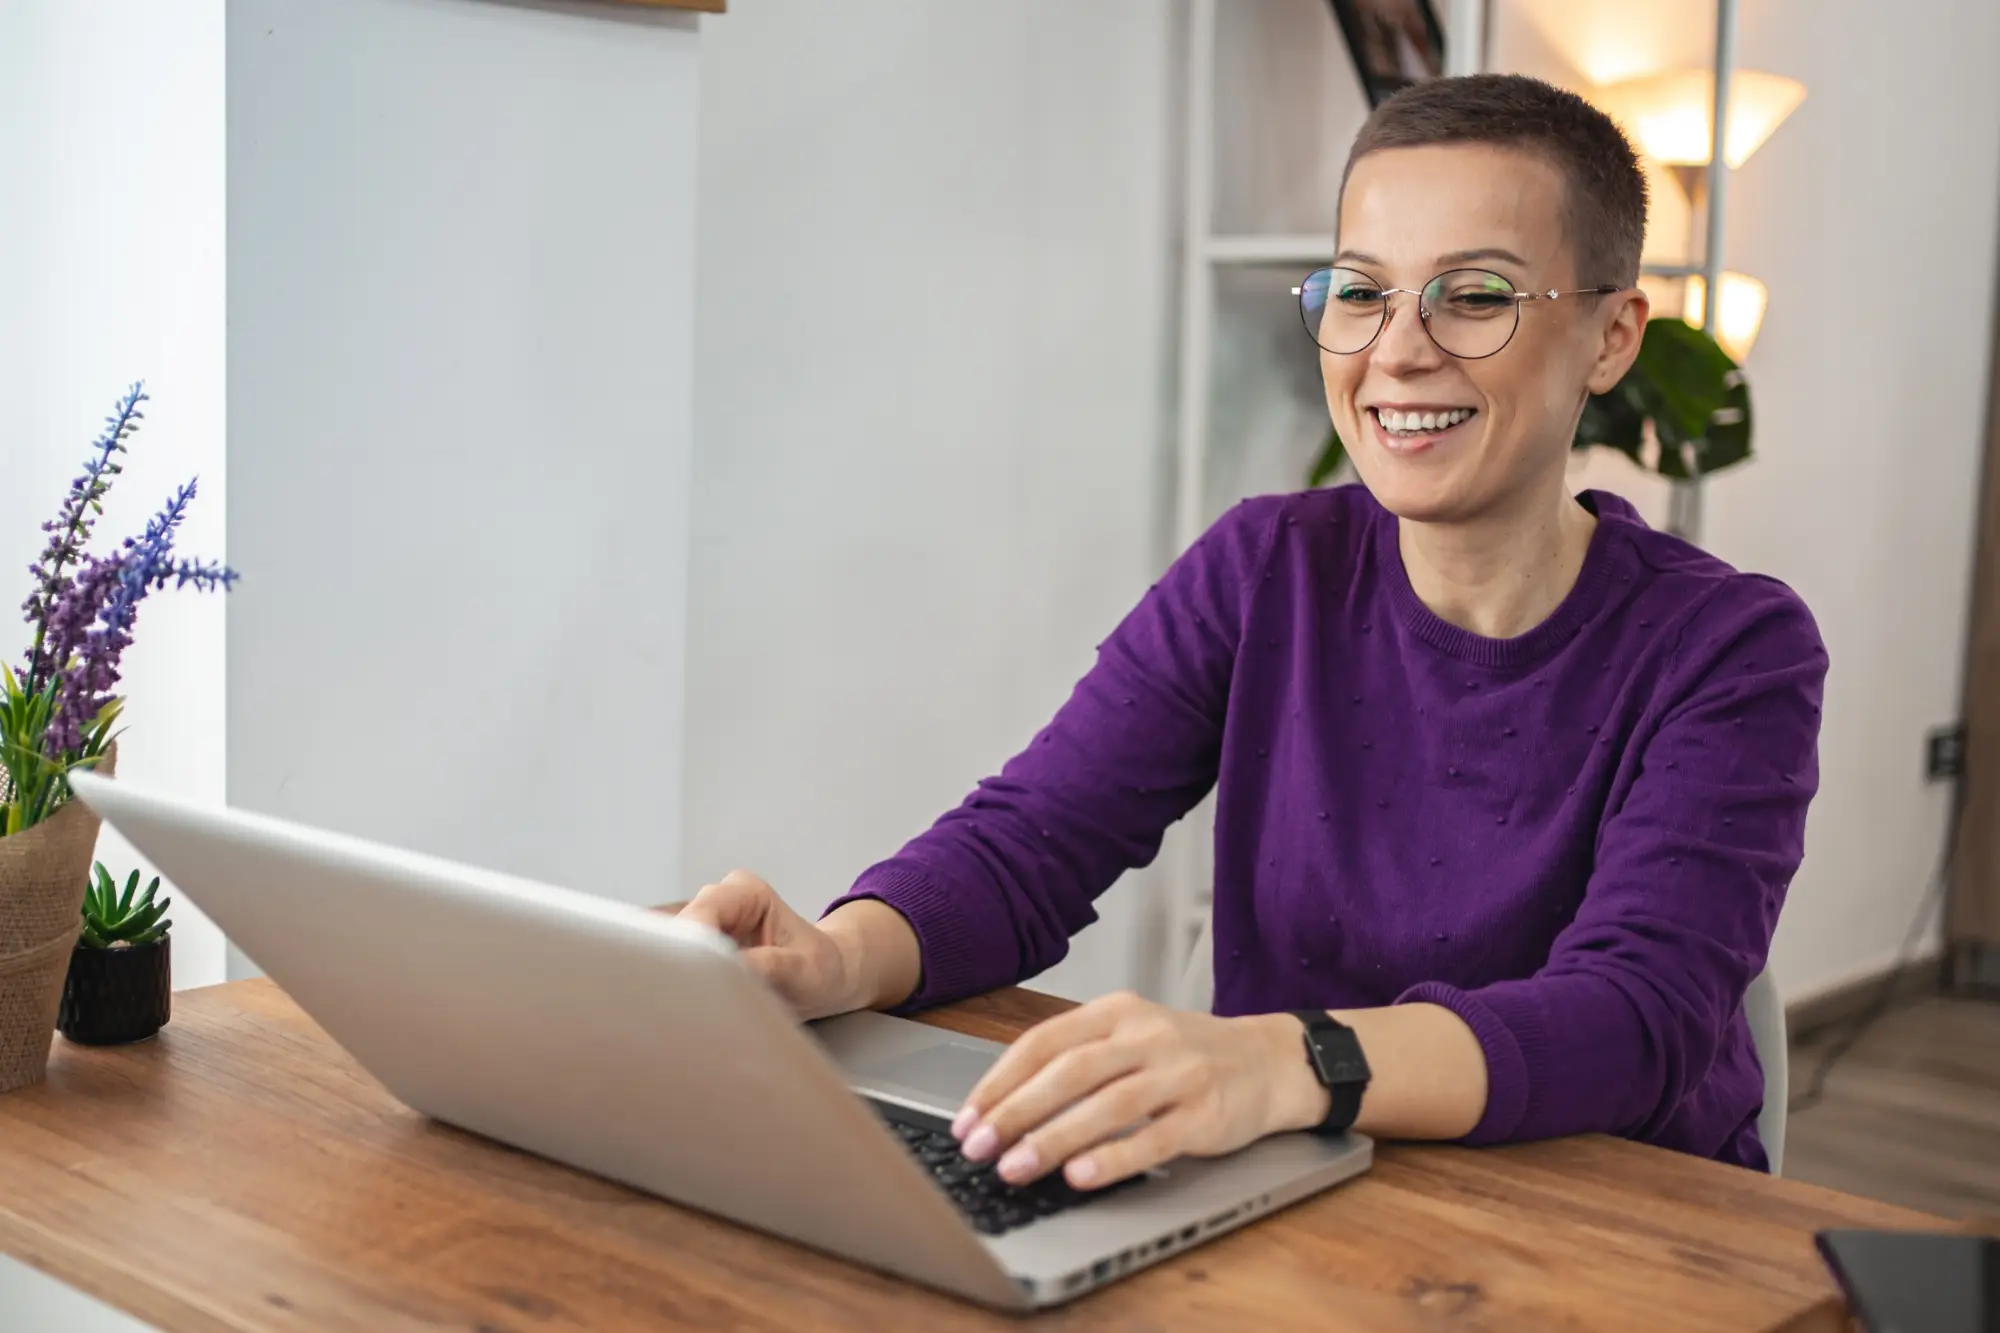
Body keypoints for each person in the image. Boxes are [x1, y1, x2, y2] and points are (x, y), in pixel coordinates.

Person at [674, 74, 1824, 1191]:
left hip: (1614, 1227)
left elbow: (1635, 1017)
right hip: (1300, 1186)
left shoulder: (1730, 647)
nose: (1396, 350)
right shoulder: (1267, 567)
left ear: (1613, 335)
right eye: (1360, 291)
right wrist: (835, 956)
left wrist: (1283, 1059)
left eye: (1474, 295)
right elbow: (1030, 842)